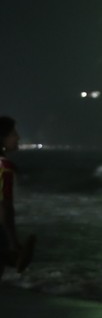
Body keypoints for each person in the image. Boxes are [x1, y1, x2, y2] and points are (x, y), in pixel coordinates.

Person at [1, 116, 36, 277]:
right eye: (13, 133)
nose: (18, 137)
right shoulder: (4, 167)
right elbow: (5, 205)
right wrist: (13, 241)